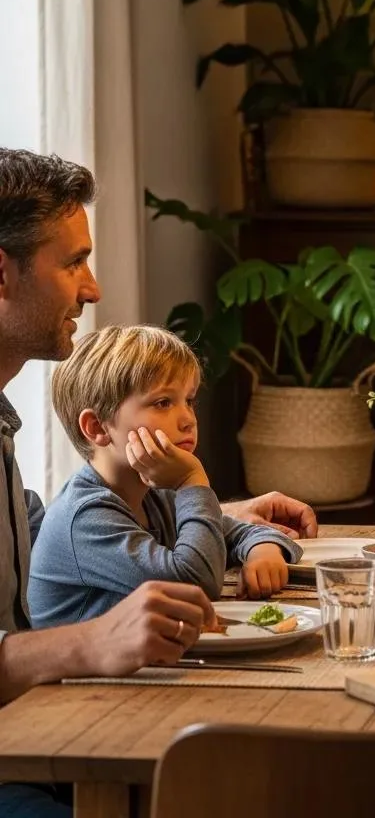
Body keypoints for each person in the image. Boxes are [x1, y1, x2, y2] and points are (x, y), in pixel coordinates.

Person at [0, 149, 314, 816]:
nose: (94, 290)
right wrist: (90, 640)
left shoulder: (5, 429)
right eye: (72, 262)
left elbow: (36, 528)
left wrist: (218, 511)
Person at [28, 326, 302, 628]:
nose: (188, 419)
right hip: (76, 676)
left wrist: (263, 550)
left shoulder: (155, 496)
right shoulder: (85, 517)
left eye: (189, 400)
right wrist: (192, 481)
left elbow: (241, 532)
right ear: (97, 427)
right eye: (163, 403)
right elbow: (194, 587)